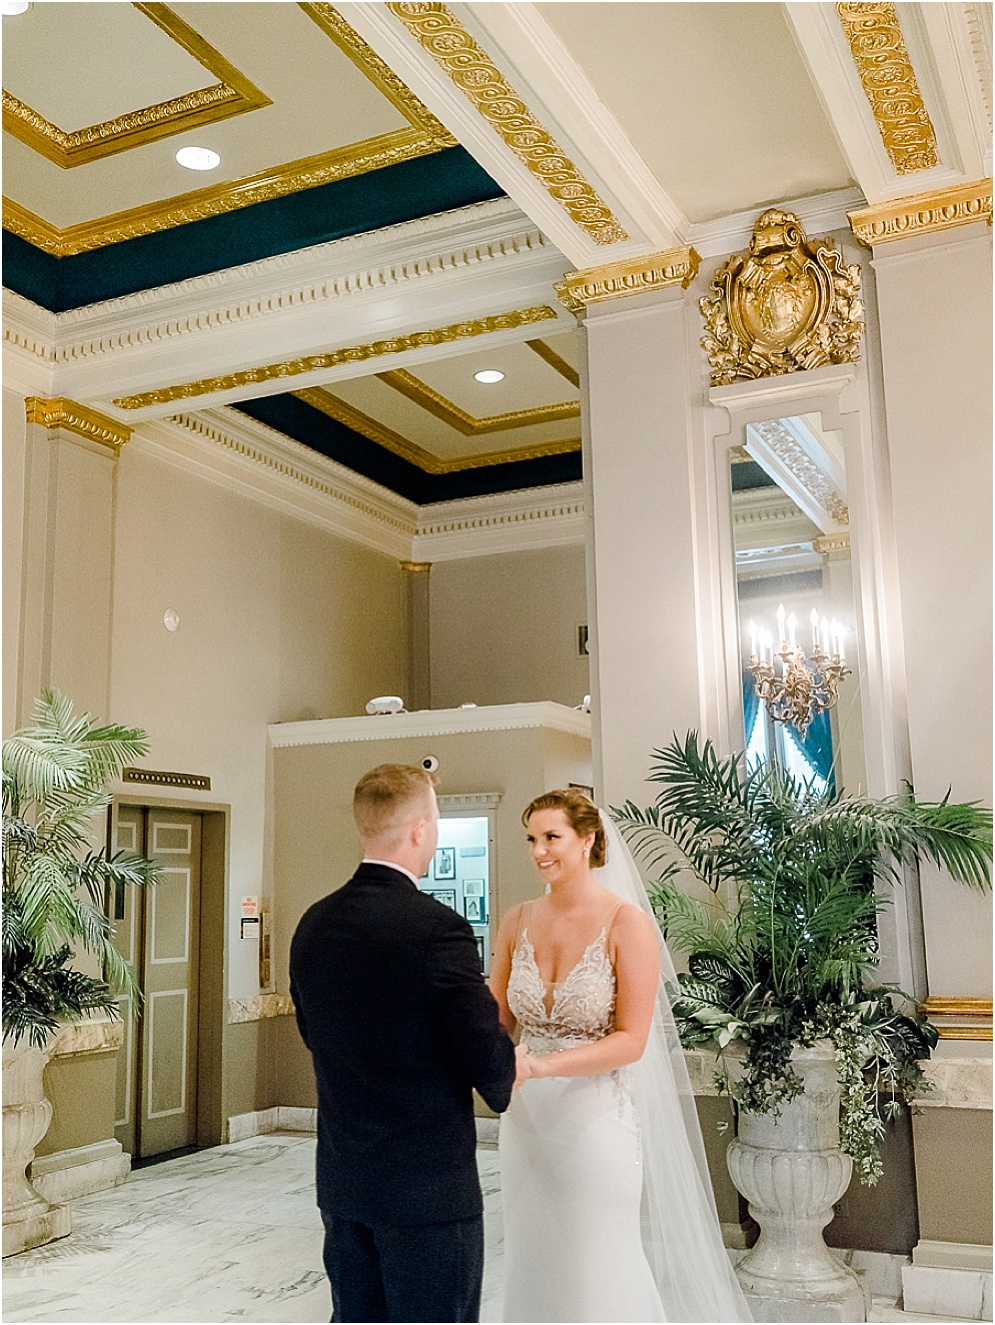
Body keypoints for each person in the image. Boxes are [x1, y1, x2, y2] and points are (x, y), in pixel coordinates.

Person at [491, 788, 750, 1323]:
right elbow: (495, 1024)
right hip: (524, 1120)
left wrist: (541, 1065)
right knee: (532, 1253)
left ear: (587, 840)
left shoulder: (625, 923)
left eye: (552, 837)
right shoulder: (516, 921)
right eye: (532, 839)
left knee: (596, 1259)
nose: (540, 851)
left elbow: (631, 1040)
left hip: (596, 1118)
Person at [290, 764, 517, 1324]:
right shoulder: (437, 928)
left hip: (344, 1181)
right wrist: (507, 1069)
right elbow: (486, 1056)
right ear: (419, 830)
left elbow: (312, 1035)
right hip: (427, 1188)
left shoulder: (313, 924)